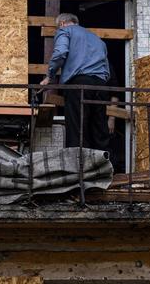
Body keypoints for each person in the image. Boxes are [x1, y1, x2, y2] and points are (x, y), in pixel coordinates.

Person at [41, 12, 119, 171]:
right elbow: (106, 69)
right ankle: (103, 170)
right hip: (99, 86)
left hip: (79, 85)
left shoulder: (65, 31)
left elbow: (60, 53)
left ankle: (77, 173)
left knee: (77, 128)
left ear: (62, 23)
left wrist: (49, 76)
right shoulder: (98, 40)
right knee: (99, 128)